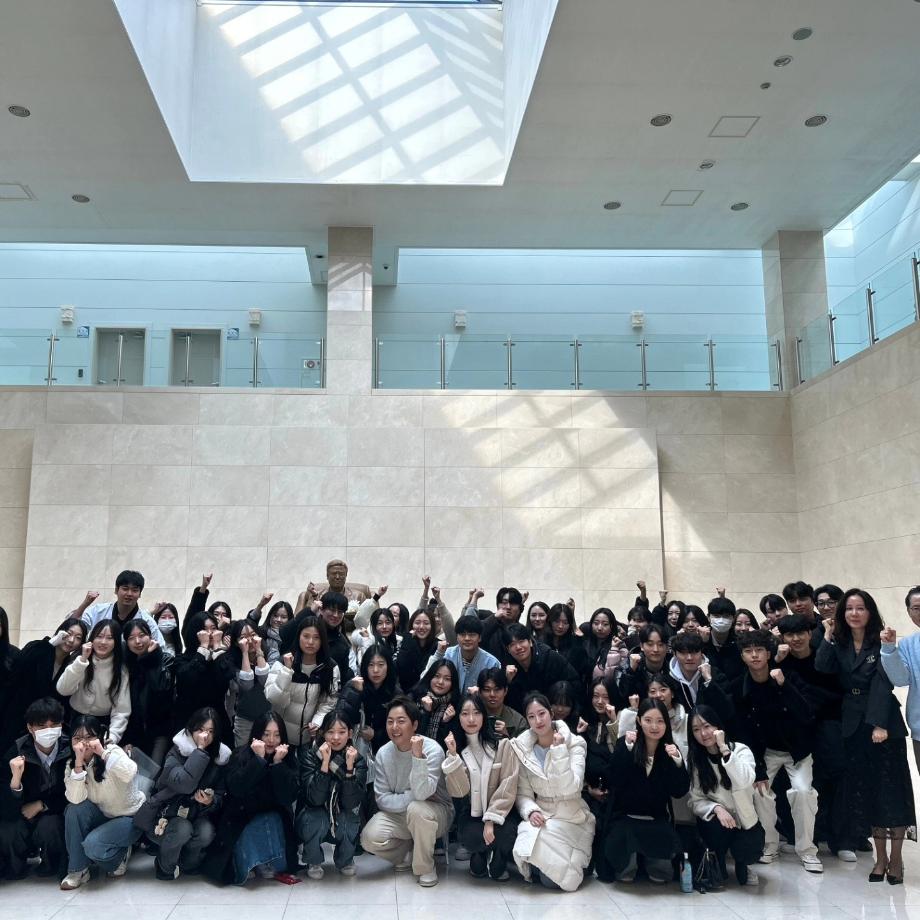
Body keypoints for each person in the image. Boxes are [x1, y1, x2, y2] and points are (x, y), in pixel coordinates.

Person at [817, 589, 916, 885]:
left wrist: (878, 723)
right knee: (868, 792)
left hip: (884, 724)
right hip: (852, 724)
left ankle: (896, 859)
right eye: (849, 608)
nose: (854, 613)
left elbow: (883, 684)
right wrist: (827, 635)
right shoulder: (840, 642)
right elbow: (822, 667)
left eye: (860, 608)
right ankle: (879, 858)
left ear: (870, 612)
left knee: (891, 793)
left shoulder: (880, 641)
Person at [734, 629, 822, 873]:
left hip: (798, 750)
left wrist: (784, 685)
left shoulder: (788, 676)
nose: (754, 655)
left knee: (803, 793)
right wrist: (758, 768)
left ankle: (807, 850)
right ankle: (769, 845)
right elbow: (744, 732)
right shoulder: (740, 687)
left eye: (759, 650)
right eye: (748, 651)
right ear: (742, 656)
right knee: (759, 791)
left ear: (768, 653)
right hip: (766, 751)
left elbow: (807, 713)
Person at [775, 613, 850, 860]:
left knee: (835, 779)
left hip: (828, 726)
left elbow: (836, 693)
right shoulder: (781, 664)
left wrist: (807, 699)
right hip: (797, 731)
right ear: (783, 637)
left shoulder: (825, 655)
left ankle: (841, 840)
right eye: (790, 634)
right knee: (802, 786)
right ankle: (805, 838)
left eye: (801, 633)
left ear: (810, 634)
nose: (796, 639)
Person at [360, 696, 454, 887]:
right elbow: (382, 799)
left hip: (435, 812)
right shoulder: (383, 753)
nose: (394, 727)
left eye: (401, 721)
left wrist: (418, 757)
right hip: (401, 814)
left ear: (415, 725)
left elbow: (422, 794)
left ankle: (425, 867)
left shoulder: (432, 750)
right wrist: (410, 798)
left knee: (417, 809)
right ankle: (406, 853)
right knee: (369, 838)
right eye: (390, 721)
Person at [510, 692, 595, 891]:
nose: (538, 721)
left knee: (550, 879)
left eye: (542, 714)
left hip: (571, 815)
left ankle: (582, 867)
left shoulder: (575, 743)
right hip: (543, 813)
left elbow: (571, 787)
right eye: (532, 716)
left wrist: (559, 751)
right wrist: (531, 811)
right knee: (527, 841)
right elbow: (523, 794)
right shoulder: (523, 750)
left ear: (551, 713)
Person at [201, 713, 299, 885]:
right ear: (257, 734)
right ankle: (252, 863)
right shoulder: (240, 754)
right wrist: (259, 760)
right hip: (242, 821)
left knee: (272, 818)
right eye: (266, 734)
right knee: (251, 824)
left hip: (273, 824)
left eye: (277, 735)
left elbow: (287, 797)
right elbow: (236, 789)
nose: (271, 740)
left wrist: (278, 764)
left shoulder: (288, 758)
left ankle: (268, 861)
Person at [604, 698, 690, 884]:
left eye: (660, 721)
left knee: (662, 875)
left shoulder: (670, 750)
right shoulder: (626, 743)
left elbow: (679, 790)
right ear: (639, 721)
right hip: (625, 816)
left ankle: (650, 863)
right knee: (624, 873)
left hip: (656, 818)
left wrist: (677, 761)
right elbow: (614, 779)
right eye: (648, 720)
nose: (654, 726)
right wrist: (627, 749)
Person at [139, 707, 229, 880]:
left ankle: (187, 863)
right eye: (201, 730)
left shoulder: (219, 758)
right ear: (191, 729)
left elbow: (220, 794)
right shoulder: (176, 752)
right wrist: (200, 750)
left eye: (211, 731)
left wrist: (210, 801)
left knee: (206, 832)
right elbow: (185, 784)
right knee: (182, 829)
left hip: (196, 815)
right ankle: (164, 866)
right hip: (164, 818)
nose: (205, 736)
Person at [59, 715, 144, 890]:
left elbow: (130, 772)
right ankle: (78, 870)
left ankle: (120, 855)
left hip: (129, 817)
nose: (84, 743)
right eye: (77, 738)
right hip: (102, 816)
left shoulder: (112, 751)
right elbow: (75, 799)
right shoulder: (71, 763)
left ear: (99, 737)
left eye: (89, 737)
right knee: (73, 809)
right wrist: (78, 763)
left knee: (93, 845)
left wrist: (102, 753)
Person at [442, 693, 520, 881]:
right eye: (465, 713)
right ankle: (480, 853)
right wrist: (452, 756)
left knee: (507, 833)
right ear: (458, 717)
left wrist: (491, 820)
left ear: (484, 716)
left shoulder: (502, 744)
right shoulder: (457, 750)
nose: (471, 719)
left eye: (476, 713)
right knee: (470, 836)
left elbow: (508, 784)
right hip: (473, 814)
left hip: (501, 813)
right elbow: (459, 791)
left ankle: (498, 855)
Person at [687, 705, 764, 887]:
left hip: (745, 821)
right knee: (713, 832)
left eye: (707, 726)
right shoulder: (697, 760)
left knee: (751, 849)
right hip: (718, 823)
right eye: (696, 730)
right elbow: (695, 800)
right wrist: (716, 808)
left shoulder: (740, 750)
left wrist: (724, 749)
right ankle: (718, 860)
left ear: (717, 726)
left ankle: (742, 862)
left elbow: (744, 780)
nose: (703, 733)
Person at [0, 698, 70, 880]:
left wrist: (42, 804)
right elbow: (5, 807)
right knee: (8, 829)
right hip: (20, 811)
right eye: (41, 726)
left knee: (51, 826)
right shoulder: (15, 752)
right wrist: (16, 781)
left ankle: (51, 864)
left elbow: (74, 794)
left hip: (54, 811)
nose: (48, 730)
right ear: (30, 728)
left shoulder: (70, 749)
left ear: (61, 725)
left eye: (54, 725)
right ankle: (15, 867)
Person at [297, 709, 368, 878]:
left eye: (341, 732)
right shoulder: (310, 755)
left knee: (349, 819)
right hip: (313, 815)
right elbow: (314, 799)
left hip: (340, 814)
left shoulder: (357, 760)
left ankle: (345, 860)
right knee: (315, 818)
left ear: (350, 734)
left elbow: (350, 803)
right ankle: (313, 860)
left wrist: (349, 769)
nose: (336, 737)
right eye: (330, 732)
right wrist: (324, 764)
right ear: (322, 733)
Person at [1, 618, 86, 755]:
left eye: (78, 638)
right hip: (17, 713)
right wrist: (51, 644)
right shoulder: (38, 646)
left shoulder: (70, 665)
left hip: (42, 723)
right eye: (69, 634)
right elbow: (20, 664)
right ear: (60, 632)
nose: (71, 640)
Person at [265, 615, 340, 747]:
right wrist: (287, 671)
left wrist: (317, 722)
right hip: (279, 736)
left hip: (309, 738)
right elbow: (273, 698)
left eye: (316, 637)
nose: (310, 642)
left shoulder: (330, 667)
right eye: (306, 636)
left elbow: (329, 702)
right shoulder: (283, 662)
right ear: (298, 637)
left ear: (323, 640)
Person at [56, 620, 131, 744]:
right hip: (73, 718)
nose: (103, 642)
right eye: (99, 636)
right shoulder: (79, 659)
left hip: (101, 724)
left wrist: (113, 735)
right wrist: (82, 660)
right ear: (92, 639)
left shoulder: (121, 670)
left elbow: (121, 710)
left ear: (116, 642)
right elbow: (63, 690)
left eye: (109, 638)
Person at [173, 610, 234, 738]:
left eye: (213, 628)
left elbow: (227, 677)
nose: (210, 633)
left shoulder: (221, 657)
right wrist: (203, 649)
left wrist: (217, 647)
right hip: (188, 719)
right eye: (204, 630)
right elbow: (187, 680)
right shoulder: (182, 659)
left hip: (216, 719)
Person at [121, 620, 174, 764]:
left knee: (154, 771)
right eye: (131, 638)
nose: (137, 641)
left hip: (160, 729)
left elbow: (161, 688)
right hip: (132, 730)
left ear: (150, 636)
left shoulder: (165, 659)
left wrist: (150, 658)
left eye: (142, 635)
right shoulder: (125, 664)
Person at [582, 676, 618, 882]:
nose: (600, 701)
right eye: (596, 696)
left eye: (605, 697)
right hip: (588, 788)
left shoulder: (620, 720)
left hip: (613, 789)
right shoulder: (584, 722)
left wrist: (613, 723)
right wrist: (588, 788)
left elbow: (622, 755)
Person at [880, 586, 920, 771]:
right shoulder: (908, 644)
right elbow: (901, 679)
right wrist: (889, 649)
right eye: (916, 608)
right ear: (909, 612)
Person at [76, 571, 167, 652]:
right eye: (125, 589)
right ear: (116, 590)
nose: (129, 594)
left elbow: (161, 648)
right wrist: (85, 604)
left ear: (140, 594)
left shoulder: (147, 621)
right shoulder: (97, 611)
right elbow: (74, 627)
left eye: (135, 590)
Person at [501, 623, 580, 713]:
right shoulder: (506, 666)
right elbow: (509, 702)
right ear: (508, 649)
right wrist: (508, 681)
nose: (518, 647)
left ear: (530, 642)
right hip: (526, 714)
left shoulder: (549, 657)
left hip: (555, 710)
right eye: (512, 644)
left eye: (521, 641)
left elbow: (575, 682)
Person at [281, 592, 353, 683]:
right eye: (332, 610)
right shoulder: (307, 625)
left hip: (323, 688)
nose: (336, 615)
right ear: (321, 610)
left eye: (340, 612)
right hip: (293, 682)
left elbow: (341, 676)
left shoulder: (342, 643)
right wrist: (309, 611)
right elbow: (284, 634)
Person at [668, 632, 734, 724]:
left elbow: (728, 710)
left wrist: (709, 681)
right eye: (683, 653)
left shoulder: (716, 674)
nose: (689, 658)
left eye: (694, 652)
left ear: (701, 653)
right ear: (675, 654)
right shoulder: (668, 680)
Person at [425, 614, 500, 694]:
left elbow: (497, 691)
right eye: (462, 634)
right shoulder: (447, 655)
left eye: (472, 635)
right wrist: (438, 654)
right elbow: (425, 678)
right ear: (457, 637)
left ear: (480, 638)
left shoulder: (492, 663)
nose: (467, 638)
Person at [226, 619, 272, 748]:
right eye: (243, 637)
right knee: (241, 753)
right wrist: (245, 653)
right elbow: (247, 685)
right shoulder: (231, 659)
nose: (250, 640)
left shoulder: (271, 652)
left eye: (253, 635)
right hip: (244, 718)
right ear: (236, 642)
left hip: (268, 715)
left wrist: (259, 651)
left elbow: (265, 680)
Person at [411, 659, 461, 747]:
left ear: (453, 683)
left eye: (447, 679)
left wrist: (445, 723)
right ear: (430, 677)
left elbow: (453, 745)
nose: (440, 682)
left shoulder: (456, 706)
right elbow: (413, 735)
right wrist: (426, 712)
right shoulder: (415, 699)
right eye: (437, 676)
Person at [546, 604, 592, 684]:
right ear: (550, 621)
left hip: (570, 687)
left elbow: (583, 672)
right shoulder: (542, 642)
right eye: (557, 621)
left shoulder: (576, 644)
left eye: (565, 622)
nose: (560, 626)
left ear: (570, 624)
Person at [477, 667, 528, 739]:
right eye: (487, 690)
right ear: (479, 692)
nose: (492, 694)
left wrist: (507, 738)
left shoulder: (519, 721)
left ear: (505, 691)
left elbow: (524, 745)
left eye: (497, 689)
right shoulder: (471, 718)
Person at [396, 607, 439, 692]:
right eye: (417, 623)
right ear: (412, 625)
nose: (421, 627)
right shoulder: (404, 641)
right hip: (403, 692)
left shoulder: (438, 646)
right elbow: (401, 668)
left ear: (432, 626)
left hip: (428, 693)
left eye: (426, 623)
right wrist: (408, 640)